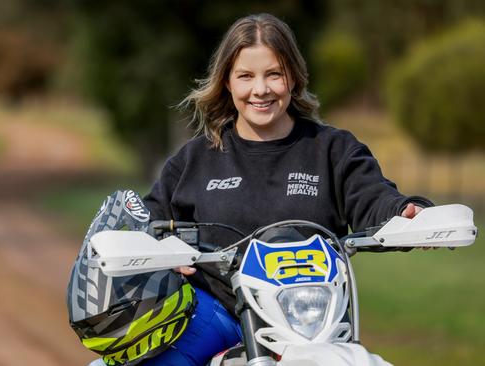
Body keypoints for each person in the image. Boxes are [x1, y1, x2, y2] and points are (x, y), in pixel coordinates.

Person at [140, 12, 432, 366]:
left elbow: (376, 201)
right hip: (219, 319)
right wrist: (158, 256)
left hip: (314, 325)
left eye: (273, 74)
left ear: (292, 78)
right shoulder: (194, 160)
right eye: (245, 76)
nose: (260, 89)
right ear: (227, 83)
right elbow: (147, 225)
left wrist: (406, 213)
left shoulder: (333, 150)